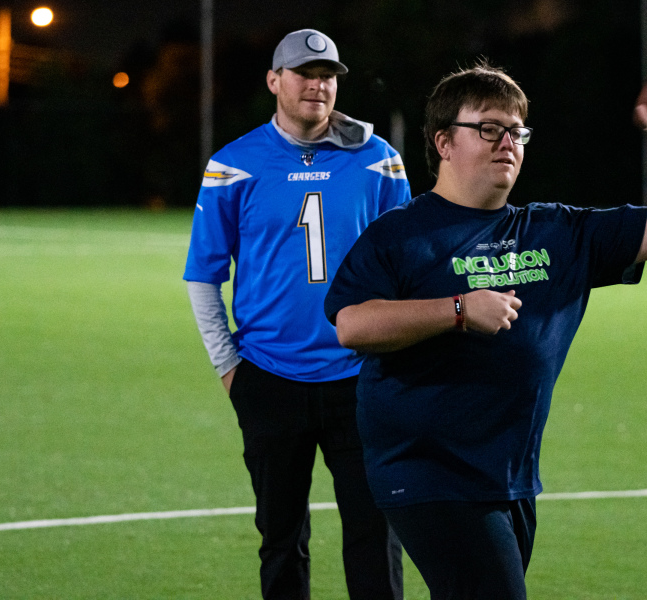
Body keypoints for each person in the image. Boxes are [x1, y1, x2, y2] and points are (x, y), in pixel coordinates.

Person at [323, 61, 647, 598]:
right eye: (488, 128)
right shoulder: (400, 235)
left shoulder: (555, 230)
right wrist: (458, 309)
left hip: (509, 473)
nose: (507, 141)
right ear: (443, 143)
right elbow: (353, 323)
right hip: (427, 469)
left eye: (516, 131)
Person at [183, 29, 410, 600]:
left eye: (329, 75)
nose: (319, 85)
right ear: (274, 81)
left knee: (376, 531)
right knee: (280, 537)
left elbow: (407, 265)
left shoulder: (379, 160)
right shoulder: (233, 164)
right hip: (268, 376)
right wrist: (229, 367)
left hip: (362, 376)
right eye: (306, 73)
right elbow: (203, 274)